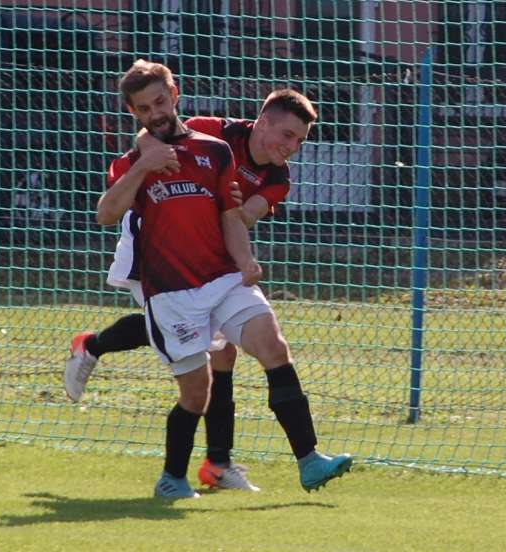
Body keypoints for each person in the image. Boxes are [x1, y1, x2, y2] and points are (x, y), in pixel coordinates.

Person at [95, 59, 352, 498]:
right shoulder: (211, 132)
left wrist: (246, 261)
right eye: (287, 135)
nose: (292, 146)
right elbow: (108, 208)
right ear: (262, 122)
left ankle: (308, 460)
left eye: (161, 101)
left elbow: (238, 215)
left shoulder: (225, 156)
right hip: (170, 280)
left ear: (174, 96)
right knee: (197, 391)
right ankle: (175, 475)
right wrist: (146, 159)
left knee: (272, 345)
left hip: (223, 273)